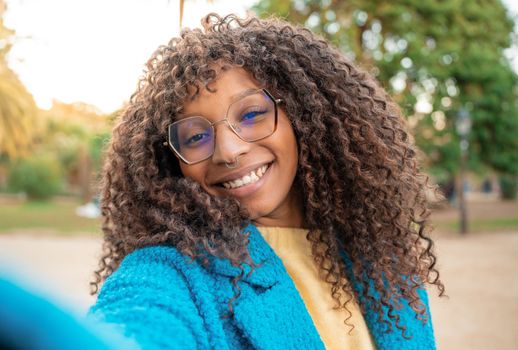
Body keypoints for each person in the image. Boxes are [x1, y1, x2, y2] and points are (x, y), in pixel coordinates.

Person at [88, 13, 446, 350]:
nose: (228, 151)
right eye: (195, 137)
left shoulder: (376, 256)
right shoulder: (171, 275)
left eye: (253, 113)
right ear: (171, 161)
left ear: (304, 116)